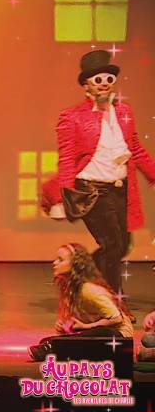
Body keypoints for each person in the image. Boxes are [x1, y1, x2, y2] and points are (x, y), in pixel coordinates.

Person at [50, 50, 155, 298]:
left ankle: (82, 279)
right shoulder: (72, 117)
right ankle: (113, 300)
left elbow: (135, 149)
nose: (104, 84)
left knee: (122, 245)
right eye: (98, 80)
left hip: (120, 189)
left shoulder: (124, 113)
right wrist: (60, 198)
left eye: (109, 79)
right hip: (91, 191)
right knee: (112, 244)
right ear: (86, 84)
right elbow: (66, 159)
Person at [28, 243, 133, 361]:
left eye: (60, 260)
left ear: (75, 265)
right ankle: (55, 347)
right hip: (97, 332)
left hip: (119, 336)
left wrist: (86, 326)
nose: (54, 263)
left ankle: (53, 349)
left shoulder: (88, 290)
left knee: (99, 332)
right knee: (47, 341)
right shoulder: (69, 288)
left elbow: (117, 318)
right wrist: (65, 326)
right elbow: (78, 321)